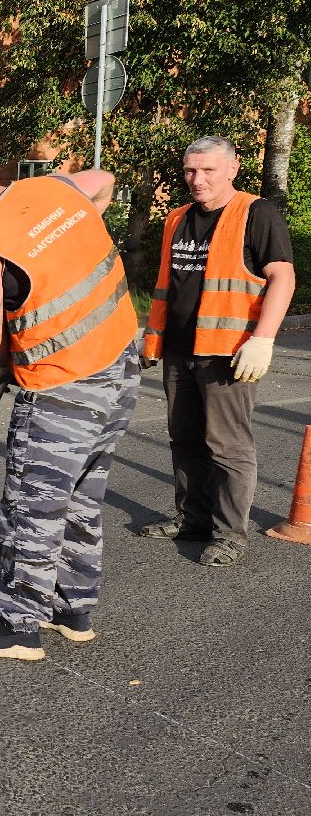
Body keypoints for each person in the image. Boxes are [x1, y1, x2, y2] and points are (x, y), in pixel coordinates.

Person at [0, 157, 140, 661]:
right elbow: (103, 182)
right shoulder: (50, 190)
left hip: (61, 384)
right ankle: (74, 610)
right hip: (120, 367)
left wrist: (6, 368)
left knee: (32, 503)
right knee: (84, 492)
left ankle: (21, 626)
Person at [138, 137, 296, 566]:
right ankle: (193, 519)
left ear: (232, 169)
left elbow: (282, 277)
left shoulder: (256, 213)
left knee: (226, 445)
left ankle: (229, 534)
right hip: (180, 349)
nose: (197, 179)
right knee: (184, 438)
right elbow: (169, 286)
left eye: (208, 170)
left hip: (229, 351)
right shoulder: (176, 218)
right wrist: (152, 337)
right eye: (190, 170)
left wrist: (262, 339)